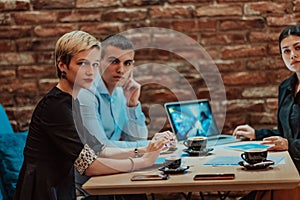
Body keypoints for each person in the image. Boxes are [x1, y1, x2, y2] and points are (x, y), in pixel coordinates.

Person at [14, 30, 173, 200]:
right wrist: (143, 161)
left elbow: (99, 149)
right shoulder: (56, 106)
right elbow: (88, 165)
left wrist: (145, 149)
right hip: (45, 193)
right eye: (83, 63)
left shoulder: (71, 101)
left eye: (95, 64)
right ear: (62, 66)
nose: (91, 71)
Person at [232, 25, 300, 200]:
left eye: (298, 47)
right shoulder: (285, 87)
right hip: (287, 169)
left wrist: (289, 145)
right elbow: (287, 135)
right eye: (286, 51)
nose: (292, 55)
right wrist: (256, 134)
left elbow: (288, 142)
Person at [77, 34, 152, 148]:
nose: (121, 70)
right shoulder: (86, 93)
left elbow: (136, 139)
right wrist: (151, 145)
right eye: (114, 61)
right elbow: (99, 147)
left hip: (114, 162)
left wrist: (132, 105)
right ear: (98, 62)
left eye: (127, 63)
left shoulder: (121, 94)